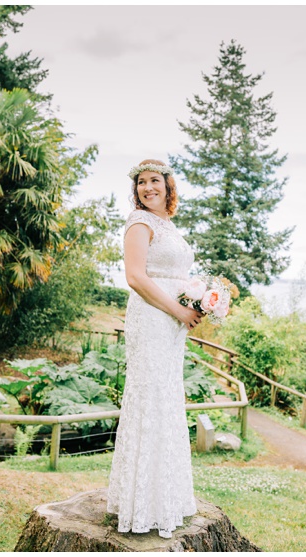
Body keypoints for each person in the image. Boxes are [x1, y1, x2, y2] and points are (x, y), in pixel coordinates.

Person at [107, 159, 202, 538]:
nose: (148, 188)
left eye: (154, 181)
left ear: (168, 186)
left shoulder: (168, 227)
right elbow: (135, 277)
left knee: (167, 400)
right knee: (149, 398)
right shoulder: (139, 222)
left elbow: (175, 275)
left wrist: (198, 301)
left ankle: (166, 498)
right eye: (141, 183)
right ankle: (139, 504)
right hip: (151, 319)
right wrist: (179, 309)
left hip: (172, 322)